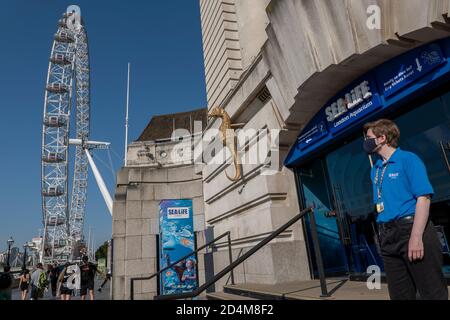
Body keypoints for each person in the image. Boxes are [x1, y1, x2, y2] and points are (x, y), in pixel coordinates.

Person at [363, 119, 448, 300]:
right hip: (387, 234)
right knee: (400, 295)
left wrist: (416, 237)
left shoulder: (408, 159)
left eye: (369, 137)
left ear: (382, 138)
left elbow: (423, 199)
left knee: (431, 292)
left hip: (412, 229)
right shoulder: (376, 169)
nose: (366, 141)